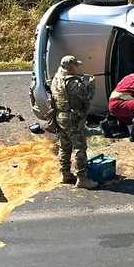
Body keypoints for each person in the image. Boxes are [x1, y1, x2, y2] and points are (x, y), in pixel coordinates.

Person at [51, 55, 99, 189]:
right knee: (80, 147)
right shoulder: (73, 83)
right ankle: (82, 178)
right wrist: (91, 85)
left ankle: (65, 174)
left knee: (64, 146)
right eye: (75, 66)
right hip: (72, 119)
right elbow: (87, 97)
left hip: (60, 117)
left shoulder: (56, 79)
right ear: (72, 67)